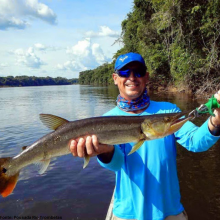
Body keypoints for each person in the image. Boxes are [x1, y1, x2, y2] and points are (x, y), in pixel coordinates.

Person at [69, 52, 220, 220]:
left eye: (138, 72)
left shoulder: (168, 111)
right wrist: (105, 151)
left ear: (146, 77)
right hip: (128, 214)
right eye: (125, 73)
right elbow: (117, 164)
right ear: (115, 78)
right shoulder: (106, 120)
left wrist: (217, 120)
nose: (132, 78)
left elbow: (196, 142)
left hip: (170, 212)